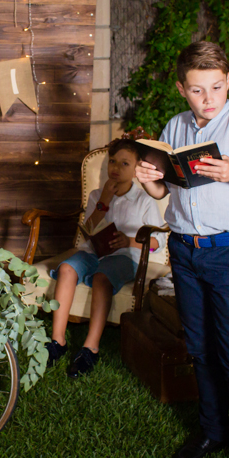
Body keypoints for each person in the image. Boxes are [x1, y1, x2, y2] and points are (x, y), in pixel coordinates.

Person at [135, 41, 229, 458]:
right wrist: (147, 178)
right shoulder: (175, 127)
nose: (209, 100)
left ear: (228, 82)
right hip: (185, 252)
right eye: (198, 90)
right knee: (199, 349)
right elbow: (162, 190)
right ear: (182, 88)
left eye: (217, 88)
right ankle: (213, 431)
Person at [44, 138, 166, 378]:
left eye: (124, 163)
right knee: (67, 268)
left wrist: (128, 241)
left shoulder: (144, 199)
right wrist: (104, 203)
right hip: (93, 252)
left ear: (135, 169)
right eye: (112, 161)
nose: (116, 168)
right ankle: (57, 341)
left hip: (124, 256)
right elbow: (87, 228)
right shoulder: (97, 195)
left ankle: (90, 347)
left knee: (101, 278)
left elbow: (156, 243)